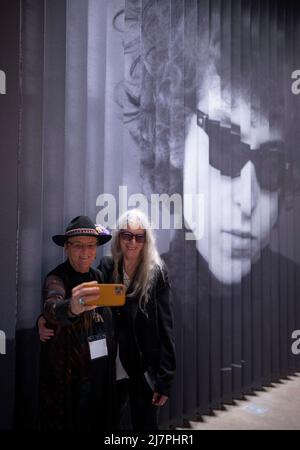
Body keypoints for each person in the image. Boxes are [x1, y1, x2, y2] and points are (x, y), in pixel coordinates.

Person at [118, 0, 300, 422]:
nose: (248, 199)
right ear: (175, 140)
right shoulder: (145, 300)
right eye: (224, 146)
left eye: (271, 165)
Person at [98, 208, 176, 430]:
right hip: (113, 364)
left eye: (139, 236)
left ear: (146, 240)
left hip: (143, 367)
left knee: (145, 425)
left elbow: (166, 327)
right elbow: (86, 300)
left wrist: (164, 380)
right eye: (127, 235)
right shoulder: (107, 267)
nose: (132, 242)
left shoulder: (157, 273)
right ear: (118, 237)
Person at [38, 215, 114, 431]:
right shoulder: (56, 278)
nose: (85, 252)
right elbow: (52, 306)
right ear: (66, 248)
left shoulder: (99, 276)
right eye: (78, 245)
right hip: (67, 384)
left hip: (99, 374)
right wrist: (72, 306)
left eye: (91, 246)